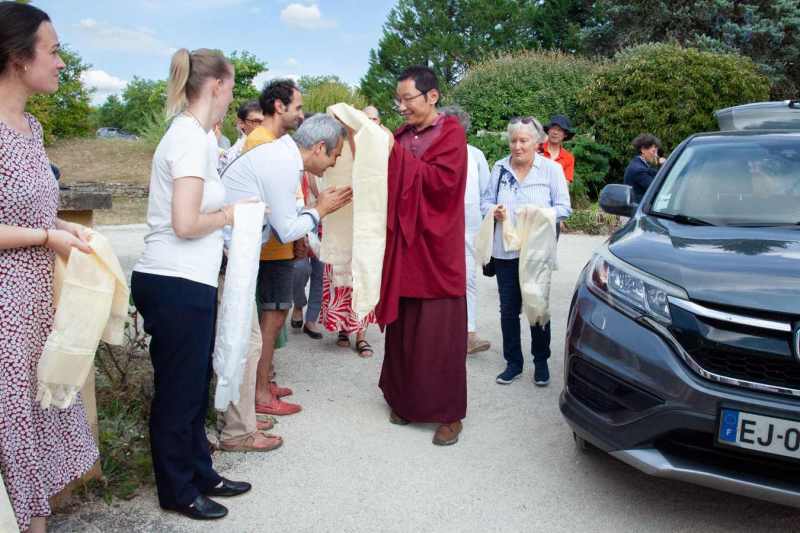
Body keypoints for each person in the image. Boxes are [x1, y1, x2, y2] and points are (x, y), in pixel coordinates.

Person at [131, 47, 252, 521]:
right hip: (173, 278)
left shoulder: (198, 137)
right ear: (218, 86)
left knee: (193, 383)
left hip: (188, 280)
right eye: (232, 86)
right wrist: (232, 214)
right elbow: (184, 221)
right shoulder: (187, 138)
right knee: (179, 390)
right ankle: (177, 488)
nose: (232, 95)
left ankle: (200, 470)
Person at [0, 4, 98, 531]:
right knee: (13, 422)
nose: (62, 62)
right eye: (54, 50)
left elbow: (26, 206)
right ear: (18, 57)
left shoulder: (30, 127)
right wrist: (45, 235)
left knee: (36, 415)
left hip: (38, 302)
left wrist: (64, 225)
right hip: (5, 308)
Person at [224, 113, 353, 417]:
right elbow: (286, 229)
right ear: (319, 147)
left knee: (256, 334)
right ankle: (251, 405)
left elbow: (288, 214)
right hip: (230, 252)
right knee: (251, 336)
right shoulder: (282, 162)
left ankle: (256, 397)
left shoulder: (283, 156)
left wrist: (312, 211)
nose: (333, 164)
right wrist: (320, 210)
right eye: (334, 156)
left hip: (242, 250)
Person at [375, 66, 469, 446]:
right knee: (405, 329)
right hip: (405, 246)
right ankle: (404, 399)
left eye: (407, 99)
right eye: (398, 100)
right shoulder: (400, 135)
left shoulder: (451, 135)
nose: (402, 107)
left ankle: (449, 414)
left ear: (432, 97)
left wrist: (395, 157)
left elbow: (445, 186)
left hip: (436, 247)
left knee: (439, 335)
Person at [481, 117, 571, 387]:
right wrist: (492, 211)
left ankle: (541, 362)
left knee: (537, 306)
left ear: (537, 142)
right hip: (505, 250)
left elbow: (564, 208)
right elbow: (485, 202)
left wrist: (540, 214)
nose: (517, 146)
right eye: (513, 140)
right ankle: (513, 363)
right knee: (508, 309)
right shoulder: (498, 168)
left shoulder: (551, 170)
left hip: (536, 251)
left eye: (524, 140)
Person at [238, 78, 306, 416]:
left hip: (278, 246)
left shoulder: (272, 142)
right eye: (298, 107)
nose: (301, 115)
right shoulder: (261, 143)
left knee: (275, 317)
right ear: (279, 107)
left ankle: (264, 382)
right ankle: (261, 393)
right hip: (269, 248)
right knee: (271, 320)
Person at [440, 105, 491, 355]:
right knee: (439, 282)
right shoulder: (432, 152)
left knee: (468, 279)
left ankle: (469, 333)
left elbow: (486, 194)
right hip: (438, 229)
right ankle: (441, 335)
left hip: (469, 229)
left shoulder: (476, 155)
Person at [291, 171, 325, 340]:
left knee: (320, 274)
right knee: (300, 268)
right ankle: (298, 303)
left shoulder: (332, 168)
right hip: (303, 224)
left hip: (325, 224)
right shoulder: (300, 171)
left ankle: (311, 319)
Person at [218, 100, 263, 172]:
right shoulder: (236, 154)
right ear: (241, 123)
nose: (262, 126)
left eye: (265, 121)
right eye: (256, 122)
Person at [623, 133, 666, 203]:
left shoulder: (639, 164)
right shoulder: (639, 170)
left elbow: (654, 174)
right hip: (637, 210)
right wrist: (665, 166)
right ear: (643, 150)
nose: (656, 155)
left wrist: (660, 164)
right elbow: (657, 189)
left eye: (656, 152)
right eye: (653, 151)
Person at [539, 115, 575, 183]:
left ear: (565, 134)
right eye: (553, 128)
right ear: (548, 130)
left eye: (559, 130)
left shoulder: (568, 157)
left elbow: (565, 184)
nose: (555, 132)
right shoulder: (536, 149)